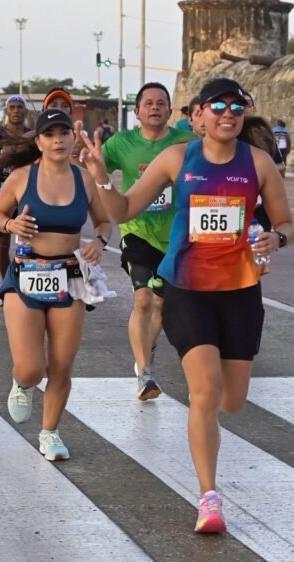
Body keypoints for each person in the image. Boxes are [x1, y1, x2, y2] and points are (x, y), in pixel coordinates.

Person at [79, 76, 294, 534]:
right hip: (186, 288)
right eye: (218, 107)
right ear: (200, 114)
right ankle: (209, 497)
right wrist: (100, 177)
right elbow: (123, 211)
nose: (228, 115)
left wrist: (276, 238)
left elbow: (287, 224)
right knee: (205, 393)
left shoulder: (258, 163)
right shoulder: (178, 158)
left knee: (232, 400)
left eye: (236, 108)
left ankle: (209, 478)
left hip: (240, 292)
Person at [0, 108, 113, 461]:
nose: (58, 140)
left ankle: (50, 433)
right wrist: (11, 225)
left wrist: (98, 242)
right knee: (32, 367)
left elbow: (104, 222)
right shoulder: (21, 177)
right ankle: (22, 383)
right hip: (25, 276)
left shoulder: (84, 179)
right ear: (39, 141)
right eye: (49, 134)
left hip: (69, 279)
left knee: (61, 365)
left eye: (64, 133)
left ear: (73, 137)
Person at [101, 82, 195, 400]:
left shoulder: (186, 143)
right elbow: (94, 169)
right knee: (143, 299)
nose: (155, 107)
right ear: (138, 112)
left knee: (161, 303)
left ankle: (147, 350)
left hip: (175, 236)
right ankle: (145, 374)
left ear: (169, 110)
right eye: (149, 103)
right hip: (137, 230)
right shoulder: (121, 143)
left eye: (161, 103)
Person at [0, 96, 30, 295]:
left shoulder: (33, 136)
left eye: (20, 107)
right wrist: (4, 156)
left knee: (31, 245)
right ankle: (7, 286)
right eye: (12, 107)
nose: (16, 111)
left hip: (28, 196)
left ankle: (28, 285)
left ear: (25, 111)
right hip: (3, 196)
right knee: (2, 245)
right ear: (7, 112)